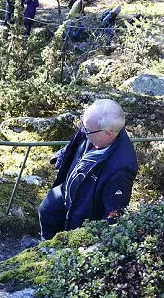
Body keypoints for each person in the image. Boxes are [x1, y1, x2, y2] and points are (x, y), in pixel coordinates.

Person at [38, 99, 138, 240]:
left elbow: (114, 210)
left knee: (67, 238)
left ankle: (50, 254)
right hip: (65, 193)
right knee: (46, 211)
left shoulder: (121, 168)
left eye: (87, 130)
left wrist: (101, 240)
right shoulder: (92, 128)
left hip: (83, 209)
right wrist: (62, 155)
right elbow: (76, 142)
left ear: (108, 133)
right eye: (83, 126)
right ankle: (44, 244)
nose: (83, 131)